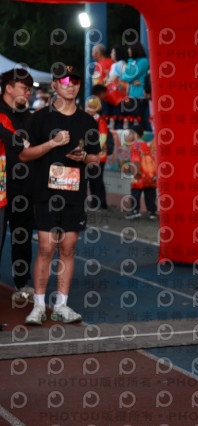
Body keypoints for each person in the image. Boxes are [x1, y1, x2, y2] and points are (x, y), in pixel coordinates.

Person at [20, 64, 100, 325]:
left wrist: (84, 156)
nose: (70, 84)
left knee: (68, 248)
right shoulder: (39, 119)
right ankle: (38, 306)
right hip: (45, 193)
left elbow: (96, 159)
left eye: (74, 80)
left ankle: (61, 305)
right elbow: (25, 154)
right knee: (46, 248)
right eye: (64, 80)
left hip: (74, 194)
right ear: (54, 85)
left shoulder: (87, 122)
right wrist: (52, 143)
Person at [0, 69, 36, 303]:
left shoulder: (29, 117)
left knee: (22, 237)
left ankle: (22, 283)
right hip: (1, 188)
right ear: (9, 88)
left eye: (30, 89)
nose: (29, 92)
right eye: (24, 88)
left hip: (24, 187)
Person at [124, 124, 157, 220]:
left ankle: (135, 211)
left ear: (135, 134)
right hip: (150, 174)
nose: (128, 135)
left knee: (135, 192)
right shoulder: (146, 145)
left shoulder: (135, 146)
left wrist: (134, 173)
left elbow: (136, 161)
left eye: (130, 133)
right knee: (150, 193)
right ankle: (152, 213)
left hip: (139, 174)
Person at [85, 95, 111, 210]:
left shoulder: (101, 121)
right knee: (92, 179)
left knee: (97, 179)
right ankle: (95, 202)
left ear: (97, 108)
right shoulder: (87, 120)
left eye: (92, 107)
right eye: (88, 106)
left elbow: (103, 137)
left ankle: (101, 203)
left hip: (99, 155)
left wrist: (94, 149)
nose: (89, 109)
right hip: (90, 154)